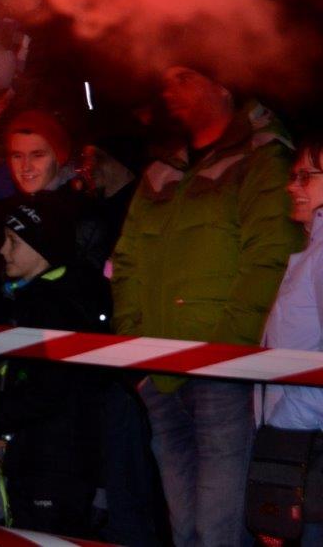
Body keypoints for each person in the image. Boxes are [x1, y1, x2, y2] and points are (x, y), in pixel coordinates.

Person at [112, 66, 302, 546]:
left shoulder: (262, 159)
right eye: (166, 79)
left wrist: (225, 357)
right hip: (159, 372)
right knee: (186, 530)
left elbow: (270, 260)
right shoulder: (161, 169)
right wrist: (134, 352)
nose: (169, 89)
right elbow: (126, 261)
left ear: (222, 84)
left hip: (222, 375)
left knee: (219, 531)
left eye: (185, 77)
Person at [0, 196, 110, 537]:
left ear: (42, 248)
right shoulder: (40, 299)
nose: (3, 250)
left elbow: (47, 388)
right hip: (46, 456)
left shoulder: (53, 306)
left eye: (13, 241)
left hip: (51, 459)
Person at [256, 136, 323, 544]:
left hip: (309, 440)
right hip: (300, 433)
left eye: (306, 176)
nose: (291, 186)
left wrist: (290, 420)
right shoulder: (313, 251)